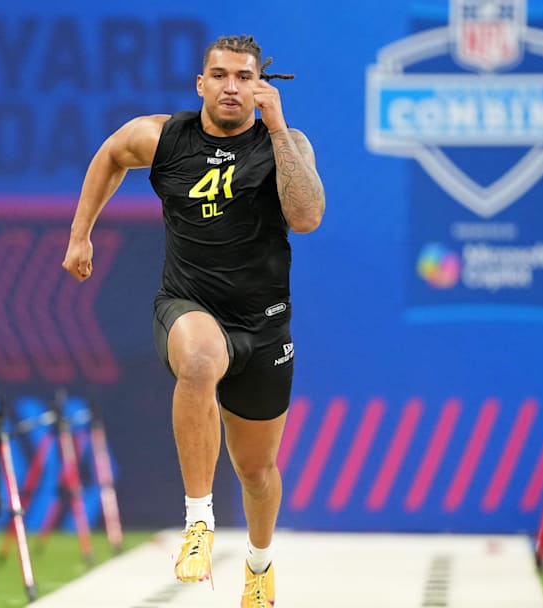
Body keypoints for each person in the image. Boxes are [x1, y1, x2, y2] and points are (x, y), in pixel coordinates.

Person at [62, 34, 325, 607]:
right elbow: (109, 154)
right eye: (220, 75)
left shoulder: (285, 142)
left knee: (256, 471)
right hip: (189, 305)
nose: (232, 86)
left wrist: (278, 129)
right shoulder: (161, 136)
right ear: (200, 83)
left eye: (244, 77)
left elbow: (306, 217)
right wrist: (81, 234)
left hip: (263, 326)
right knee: (200, 359)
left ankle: (258, 565)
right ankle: (199, 522)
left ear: (260, 86)